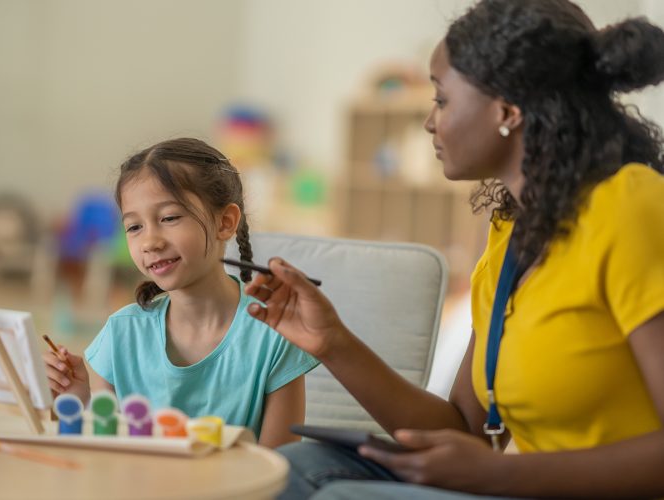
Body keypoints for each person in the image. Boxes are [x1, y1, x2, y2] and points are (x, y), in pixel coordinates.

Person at [244, 0, 664, 496]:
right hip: (521, 486)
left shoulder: (631, 205)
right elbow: (467, 429)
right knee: (300, 465)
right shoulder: (513, 234)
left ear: (507, 110)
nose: (429, 122)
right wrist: (333, 341)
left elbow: (489, 464)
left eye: (442, 100)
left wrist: (502, 474)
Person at [43, 138, 319, 447]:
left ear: (225, 222)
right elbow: (108, 455)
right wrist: (78, 402)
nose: (150, 241)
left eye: (170, 218)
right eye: (134, 227)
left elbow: (282, 469)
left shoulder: (274, 334)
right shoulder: (122, 333)